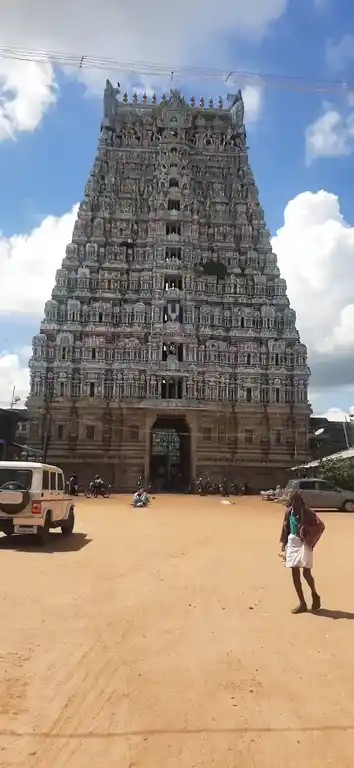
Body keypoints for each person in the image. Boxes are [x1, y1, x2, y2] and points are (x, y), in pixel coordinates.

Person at [280, 490, 322, 614]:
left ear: (301, 501)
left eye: (297, 500)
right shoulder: (289, 512)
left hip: (305, 544)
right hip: (292, 543)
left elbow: (321, 527)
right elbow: (286, 527)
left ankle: (315, 595)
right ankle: (302, 603)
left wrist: (311, 539)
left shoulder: (308, 513)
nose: (295, 503)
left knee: (306, 573)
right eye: (292, 501)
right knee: (294, 572)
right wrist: (284, 543)